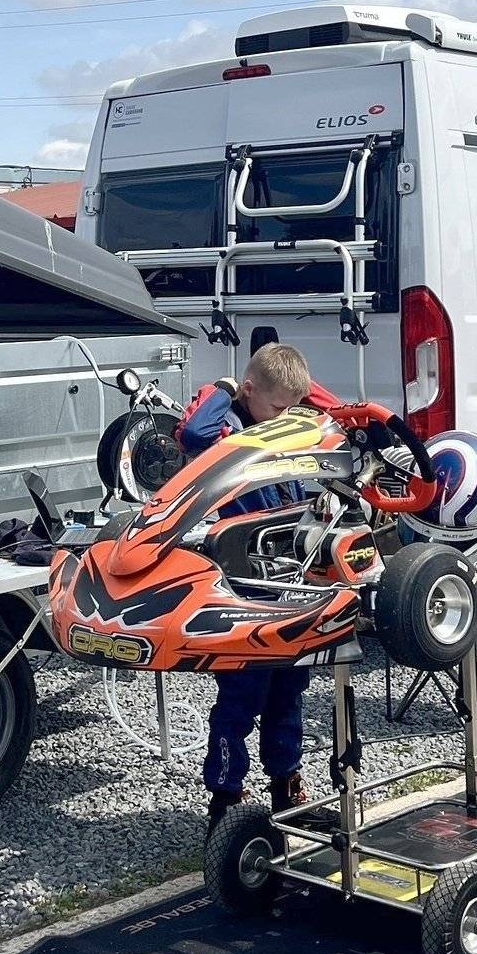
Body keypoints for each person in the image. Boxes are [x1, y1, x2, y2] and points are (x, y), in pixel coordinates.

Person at [177, 340, 316, 828]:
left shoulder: (280, 429)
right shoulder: (227, 434)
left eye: (291, 408)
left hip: (288, 583)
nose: (285, 417)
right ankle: (225, 797)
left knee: (289, 690)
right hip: (241, 588)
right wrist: (224, 388)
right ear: (250, 390)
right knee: (240, 697)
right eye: (277, 407)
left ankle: (286, 786)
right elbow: (192, 433)